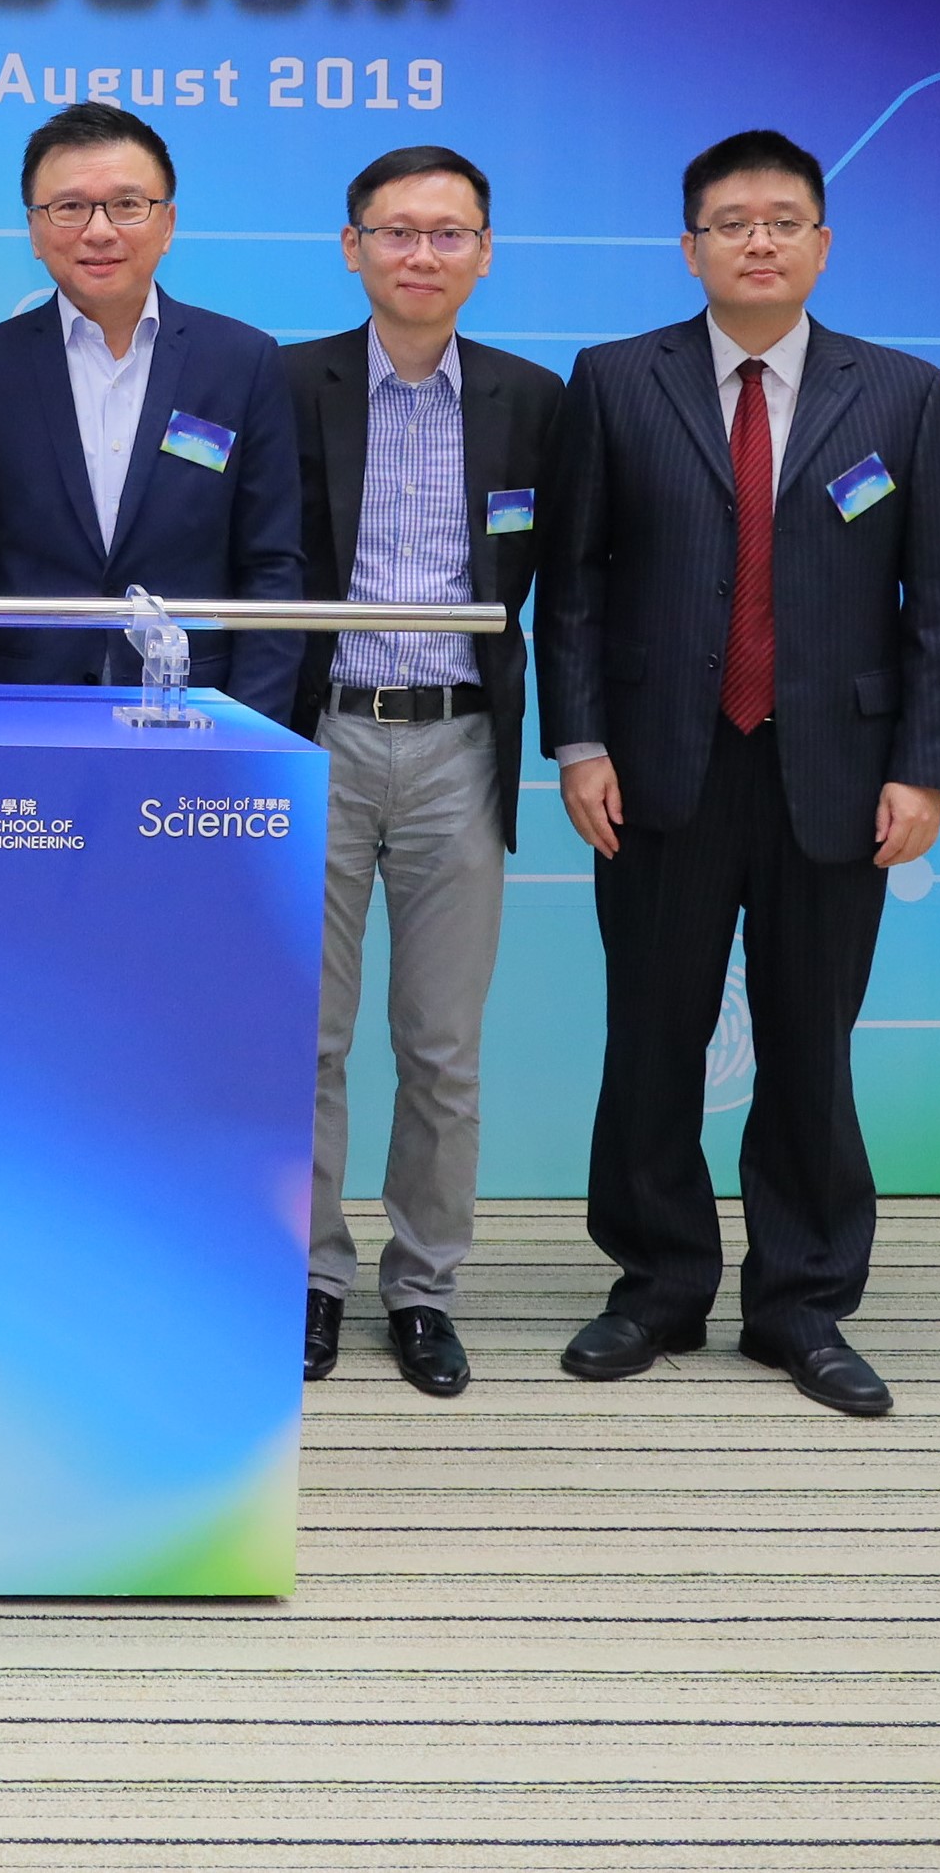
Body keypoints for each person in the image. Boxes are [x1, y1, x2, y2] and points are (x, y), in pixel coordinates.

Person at [540, 129, 940, 1419]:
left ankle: (798, 1302)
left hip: (834, 774)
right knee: (652, 1035)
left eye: (782, 220)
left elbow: (939, 600)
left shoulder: (900, 392)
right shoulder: (616, 380)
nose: (757, 240)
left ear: (821, 244)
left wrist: (924, 770)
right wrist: (578, 744)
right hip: (657, 768)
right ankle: (655, 1285)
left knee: (807, 1041)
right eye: (729, 222)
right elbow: (566, 587)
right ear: (689, 247)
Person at [282, 144, 564, 1399]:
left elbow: (574, 587)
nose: (420, 254)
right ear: (351, 248)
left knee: (440, 1042)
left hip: (459, 741)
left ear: (483, 253)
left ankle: (422, 1286)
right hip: (319, 736)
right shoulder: (287, 385)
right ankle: (308, 1277)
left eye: (447, 234)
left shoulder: (533, 400)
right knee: (308, 1038)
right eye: (394, 232)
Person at [0, 105, 303, 714]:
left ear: (168, 223)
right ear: (33, 229)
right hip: (21, 709)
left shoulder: (242, 360)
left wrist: (248, 727)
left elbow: (272, 569)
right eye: (70, 207)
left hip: (197, 710)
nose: (98, 230)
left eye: (127, 205)